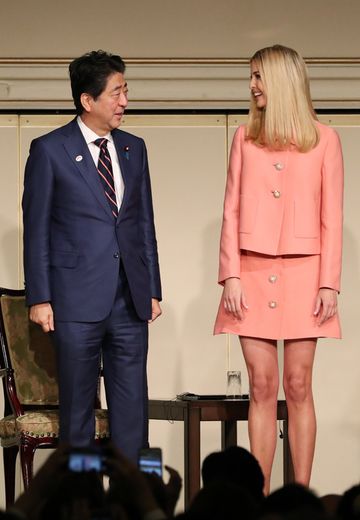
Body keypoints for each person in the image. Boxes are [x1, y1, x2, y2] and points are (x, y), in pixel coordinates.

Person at [214, 44, 343, 493]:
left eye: (257, 76)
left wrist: (329, 283)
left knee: (298, 383)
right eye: (251, 76)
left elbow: (332, 217)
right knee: (262, 384)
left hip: (308, 275)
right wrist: (230, 273)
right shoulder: (244, 138)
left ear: (282, 81)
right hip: (249, 271)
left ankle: (300, 494)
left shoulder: (325, 139)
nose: (251, 86)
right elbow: (230, 209)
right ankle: (259, 494)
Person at [22, 50, 162, 462]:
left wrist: (152, 287)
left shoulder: (135, 149)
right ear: (88, 100)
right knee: (79, 416)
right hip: (74, 301)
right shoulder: (49, 150)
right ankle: (79, 504)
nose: (124, 102)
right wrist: (39, 297)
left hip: (130, 301)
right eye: (116, 93)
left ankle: (141, 500)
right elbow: (37, 228)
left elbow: (143, 225)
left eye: (126, 91)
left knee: (135, 412)